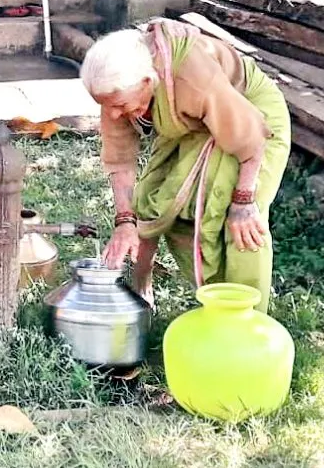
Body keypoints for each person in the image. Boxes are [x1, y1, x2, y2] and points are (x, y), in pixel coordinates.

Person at [80, 18, 291, 313]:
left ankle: (246, 322)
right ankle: (148, 294)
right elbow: (120, 160)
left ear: (146, 82)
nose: (113, 115)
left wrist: (244, 200)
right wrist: (124, 221)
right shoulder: (117, 90)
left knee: (238, 224)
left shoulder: (192, 77)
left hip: (250, 116)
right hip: (192, 123)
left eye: (118, 105)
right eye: (106, 106)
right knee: (159, 203)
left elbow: (251, 138)